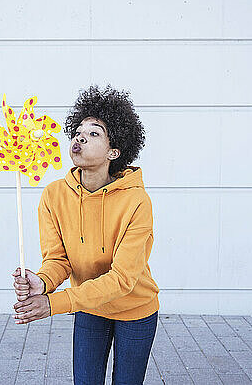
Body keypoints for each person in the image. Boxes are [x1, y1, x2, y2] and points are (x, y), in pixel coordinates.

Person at [11, 84, 160, 385]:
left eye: (94, 133)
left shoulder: (137, 201)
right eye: (79, 131)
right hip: (89, 305)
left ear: (114, 151)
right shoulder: (53, 195)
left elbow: (122, 279)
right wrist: (42, 281)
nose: (80, 137)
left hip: (135, 308)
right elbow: (58, 259)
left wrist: (53, 304)